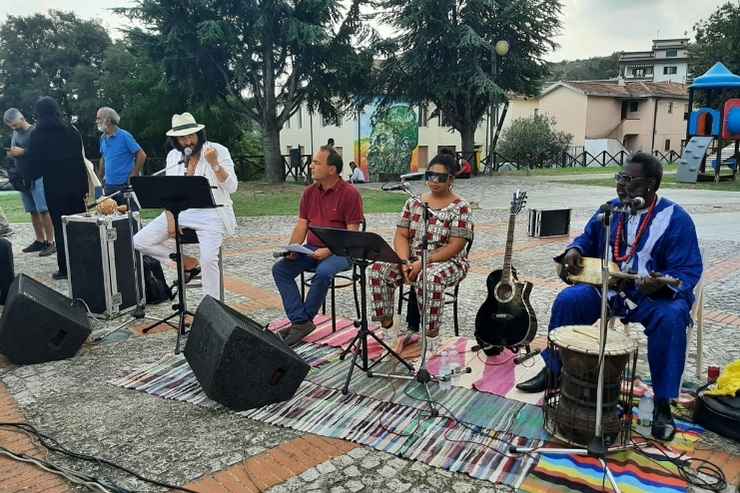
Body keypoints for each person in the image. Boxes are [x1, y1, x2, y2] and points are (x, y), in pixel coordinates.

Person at [516, 152, 703, 442]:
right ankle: (554, 372)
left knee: (671, 319)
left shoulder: (675, 218)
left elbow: (687, 269)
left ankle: (663, 404)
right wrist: (573, 252)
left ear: (651, 184)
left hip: (653, 297)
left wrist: (661, 282)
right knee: (569, 301)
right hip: (610, 289)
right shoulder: (611, 211)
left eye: (629, 180)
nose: (621, 185)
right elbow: (585, 239)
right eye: (620, 177)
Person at [369, 149, 474, 341]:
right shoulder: (414, 202)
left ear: (451, 179)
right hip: (411, 259)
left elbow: (455, 246)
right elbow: (401, 235)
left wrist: (423, 263)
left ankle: (431, 336)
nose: (433, 180)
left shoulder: (461, 207)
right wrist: (403, 261)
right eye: (430, 175)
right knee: (378, 269)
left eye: (440, 177)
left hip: (447, 261)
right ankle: (389, 328)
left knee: (429, 278)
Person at [133, 113, 237, 300]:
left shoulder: (218, 150)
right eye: (182, 138)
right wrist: (170, 217)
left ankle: (211, 308)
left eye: (191, 136)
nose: (188, 141)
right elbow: (169, 192)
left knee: (208, 260)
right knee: (139, 241)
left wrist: (215, 164)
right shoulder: (173, 156)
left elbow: (232, 187)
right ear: (176, 140)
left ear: (199, 134)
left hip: (213, 213)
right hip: (181, 211)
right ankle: (186, 262)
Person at [272, 146, 364, 346]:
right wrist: (292, 248)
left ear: (332, 169)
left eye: (317, 162)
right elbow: (302, 224)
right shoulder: (309, 193)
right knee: (280, 269)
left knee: (323, 272)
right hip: (311, 250)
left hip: (342, 252)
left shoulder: (350, 193)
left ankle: (301, 324)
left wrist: (329, 250)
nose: (311, 166)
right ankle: (301, 322)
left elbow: (352, 234)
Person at [23, 97, 88, 279]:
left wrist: (28, 178)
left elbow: (34, 166)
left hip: (55, 187)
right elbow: (80, 161)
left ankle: (65, 269)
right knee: (79, 226)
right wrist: (84, 187)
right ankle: (84, 263)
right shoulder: (71, 131)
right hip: (76, 186)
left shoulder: (37, 135)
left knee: (60, 228)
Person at [4, 108, 55, 254]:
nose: (14, 128)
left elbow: (42, 153)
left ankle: (51, 242)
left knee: (43, 210)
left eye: (15, 125)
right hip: (22, 177)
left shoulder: (35, 131)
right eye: (11, 127)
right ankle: (40, 240)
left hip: (37, 175)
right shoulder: (15, 133)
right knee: (32, 211)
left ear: (22, 118)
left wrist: (23, 152)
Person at [96, 107, 147, 206]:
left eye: (99, 118)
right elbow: (103, 157)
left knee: (131, 217)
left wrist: (134, 173)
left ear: (109, 120)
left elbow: (142, 155)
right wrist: (100, 176)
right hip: (108, 186)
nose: (97, 121)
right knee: (110, 218)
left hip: (125, 185)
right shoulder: (102, 138)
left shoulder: (125, 136)